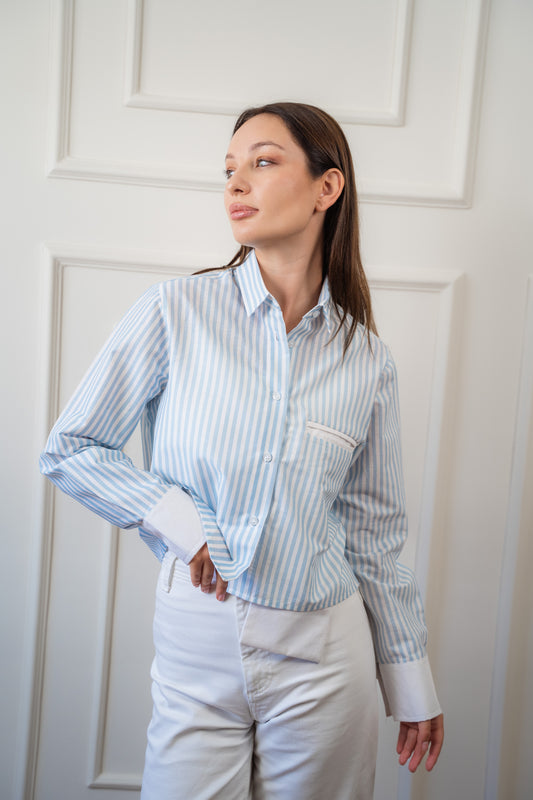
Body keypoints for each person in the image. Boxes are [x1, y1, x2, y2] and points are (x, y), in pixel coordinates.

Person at [40, 101, 444, 799]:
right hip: (198, 642)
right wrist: (179, 520)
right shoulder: (174, 312)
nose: (234, 184)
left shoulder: (365, 360)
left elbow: (374, 537)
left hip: (327, 652)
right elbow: (72, 447)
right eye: (228, 169)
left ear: (327, 188)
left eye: (262, 162)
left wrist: (409, 680)